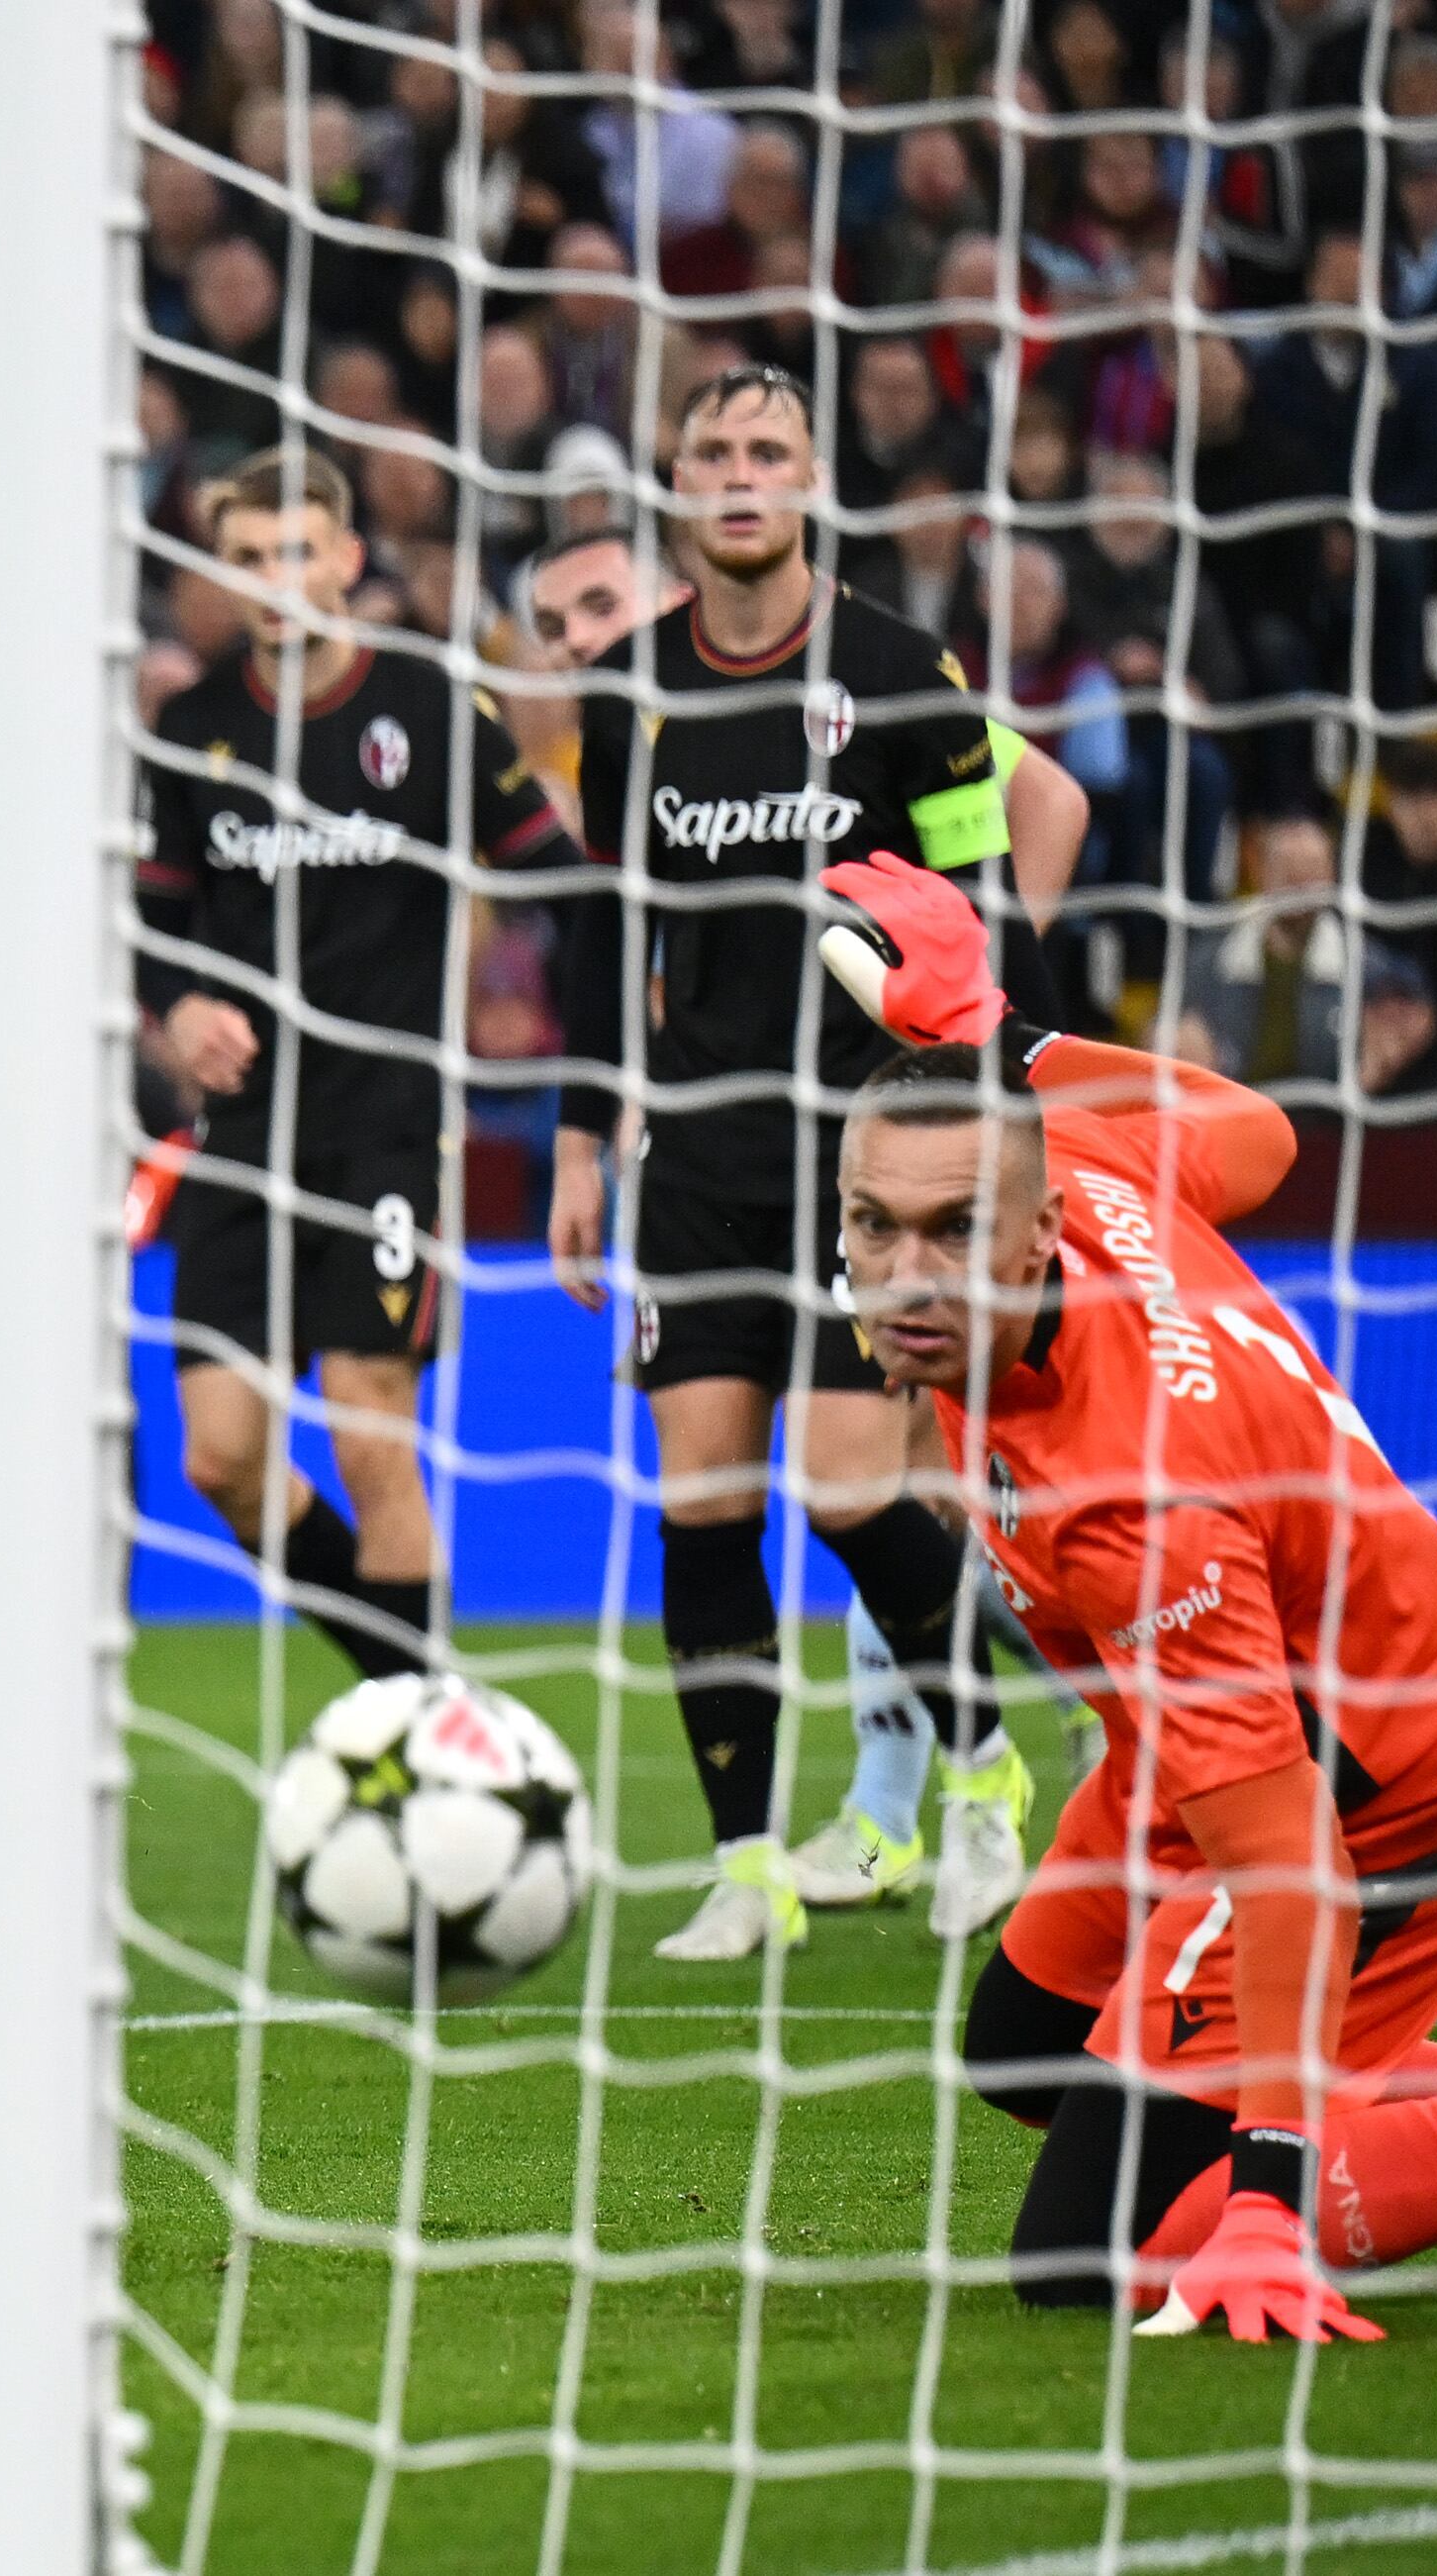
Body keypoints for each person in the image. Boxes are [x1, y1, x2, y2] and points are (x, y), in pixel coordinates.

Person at [824, 859, 1437, 2343]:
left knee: (1086, 2264)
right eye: (870, 1226)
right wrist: (999, 1037)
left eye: (945, 1234)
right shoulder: (1089, 1181)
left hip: (1380, 1782)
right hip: (1194, 1728)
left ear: (1026, 1237)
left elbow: (1285, 1862)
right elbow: (1253, 1130)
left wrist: (1270, 2199)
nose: (901, 1276)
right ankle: (1346, 2088)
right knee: (1019, 2044)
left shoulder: (1138, 1504)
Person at [553, 366, 1092, 1961]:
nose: (736, 474)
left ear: (809, 479)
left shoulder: (899, 670)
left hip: (879, 1152)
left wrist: (1039, 1114)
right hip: (701, 1147)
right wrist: (585, 1133)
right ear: (673, 480)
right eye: (710, 449)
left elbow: (986, 906)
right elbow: (607, 930)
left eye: (765, 449)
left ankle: (981, 1779)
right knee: (701, 1503)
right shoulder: (628, 688)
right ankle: (746, 1866)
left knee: (855, 1490)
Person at [141, 448, 580, 1692]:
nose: (276, 580)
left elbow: (554, 876)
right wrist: (178, 1008)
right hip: (244, 1136)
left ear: (344, 561)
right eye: (249, 559)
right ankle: (417, 1684)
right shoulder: (194, 728)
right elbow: (157, 928)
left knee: (370, 1424)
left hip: (386, 1128)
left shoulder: (430, 709)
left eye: (297, 552)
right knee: (219, 1458)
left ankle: (424, 1748)